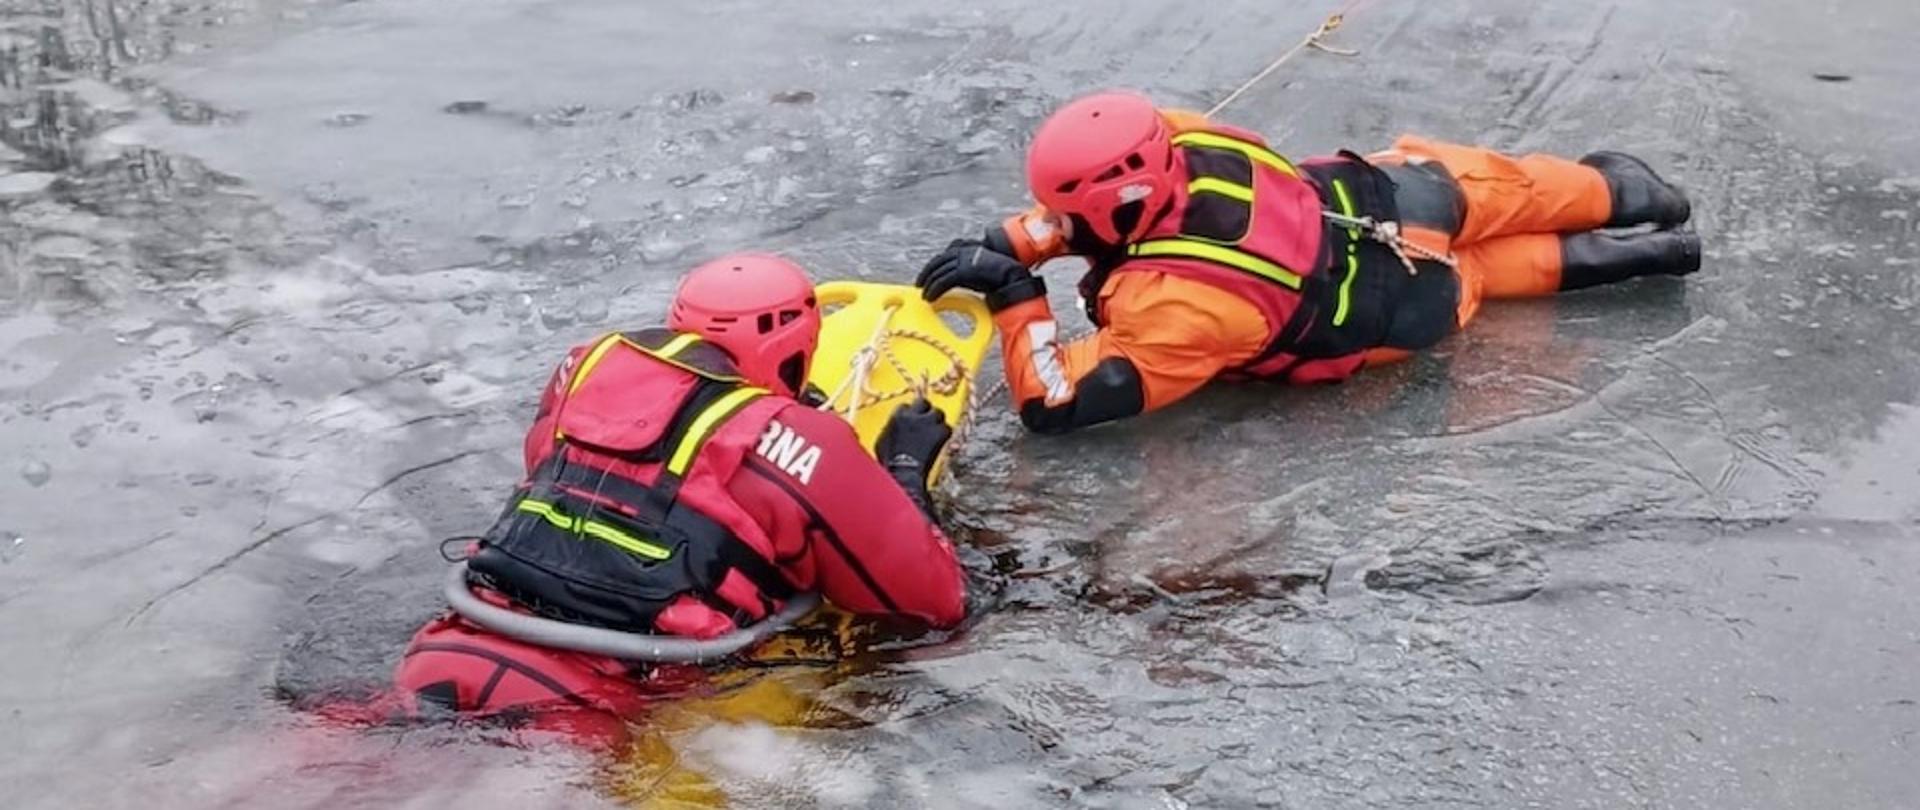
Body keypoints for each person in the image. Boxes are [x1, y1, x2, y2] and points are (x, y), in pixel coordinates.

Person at [375, 252, 968, 746]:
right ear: (794, 352)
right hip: (590, 707)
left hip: (446, 654)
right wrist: (905, 468)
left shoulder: (585, 368)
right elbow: (934, 603)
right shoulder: (801, 443)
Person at [916, 90, 1700, 434]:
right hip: (1396, 194)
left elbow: (1054, 404)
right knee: (1506, 189)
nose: (1049, 224)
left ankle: (1640, 255)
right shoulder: (1183, 134)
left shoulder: (1171, 307)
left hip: (1401, 303)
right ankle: (1631, 194)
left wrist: (1017, 294)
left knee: (1479, 275)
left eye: (1056, 216)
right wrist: (1018, 239)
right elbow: (1112, 206)